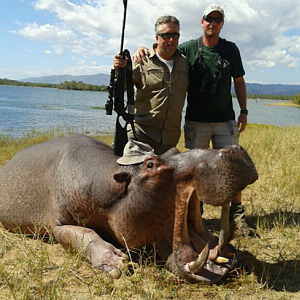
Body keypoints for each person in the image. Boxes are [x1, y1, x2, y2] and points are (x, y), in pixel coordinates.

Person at [133, 5, 256, 237]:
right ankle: (195, 215)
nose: (213, 23)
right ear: (202, 22)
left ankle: (236, 217)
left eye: (218, 19)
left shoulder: (230, 49)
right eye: (209, 18)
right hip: (196, 121)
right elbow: (163, 53)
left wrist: (244, 110)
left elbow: (239, 81)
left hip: (224, 119)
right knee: (196, 171)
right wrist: (143, 49)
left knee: (232, 166)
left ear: (222, 24)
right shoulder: (188, 48)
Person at [113, 15, 189, 156]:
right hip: (140, 136)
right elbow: (120, 89)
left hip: (170, 141)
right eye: (166, 35)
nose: (171, 40)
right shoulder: (141, 60)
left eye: (175, 35)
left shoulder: (185, 63)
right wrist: (119, 70)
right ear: (157, 37)